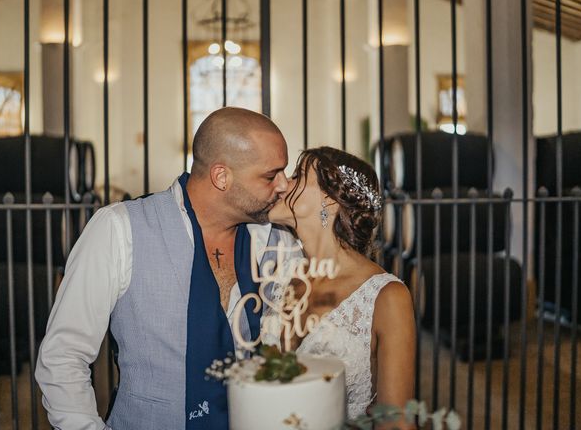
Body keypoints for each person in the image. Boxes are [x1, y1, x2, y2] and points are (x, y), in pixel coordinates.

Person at [35, 107, 299, 430]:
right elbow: (63, 357)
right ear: (221, 176)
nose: (285, 185)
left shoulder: (275, 239)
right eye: (271, 176)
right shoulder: (119, 230)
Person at [268, 146, 416, 424]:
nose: (284, 183)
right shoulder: (281, 274)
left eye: (298, 176)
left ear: (331, 200)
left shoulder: (386, 296)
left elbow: (396, 421)